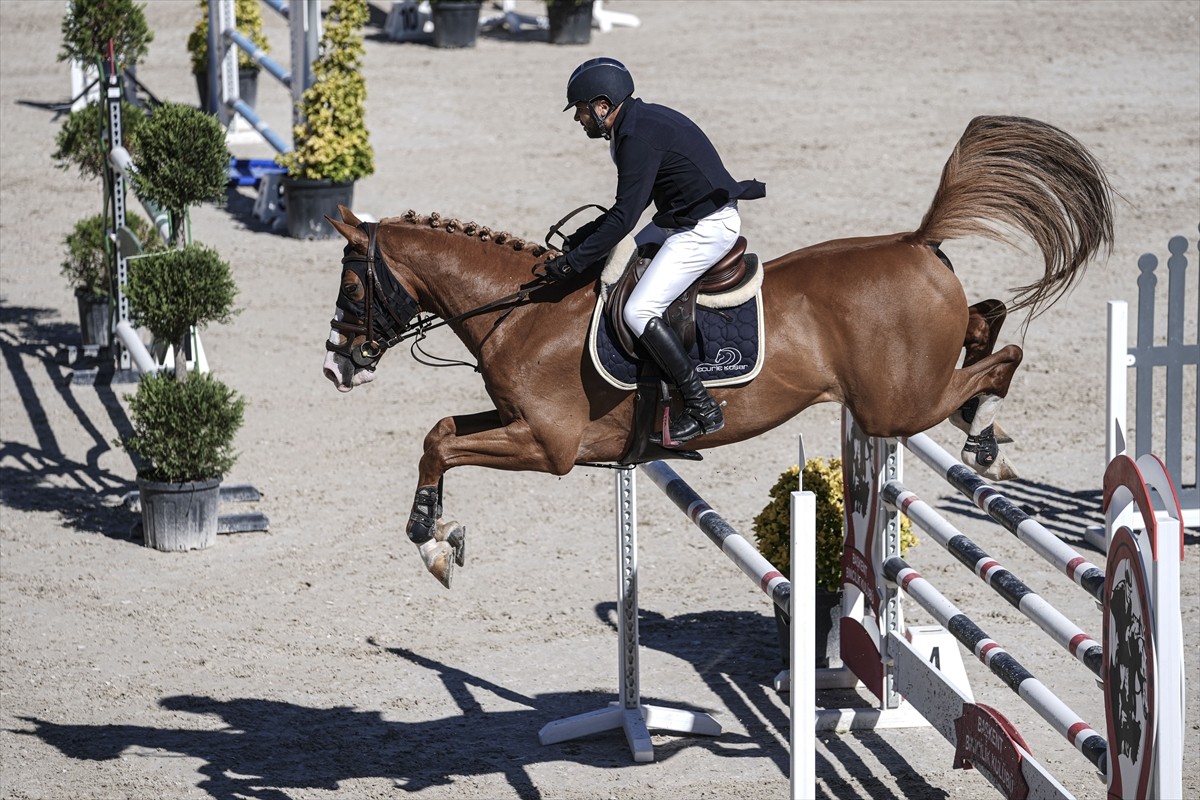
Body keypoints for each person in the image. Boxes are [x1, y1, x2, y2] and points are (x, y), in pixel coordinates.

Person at [541, 57, 765, 446]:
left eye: (580, 110)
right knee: (619, 263)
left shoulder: (637, 137)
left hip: (705, 228)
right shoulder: (634, 124)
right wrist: (579, 241)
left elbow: (625, 216)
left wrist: (575, 261)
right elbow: (627, 213)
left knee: (637, 309)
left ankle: (701, 407)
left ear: (603, 105)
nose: (578, 119)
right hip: (678, 219)